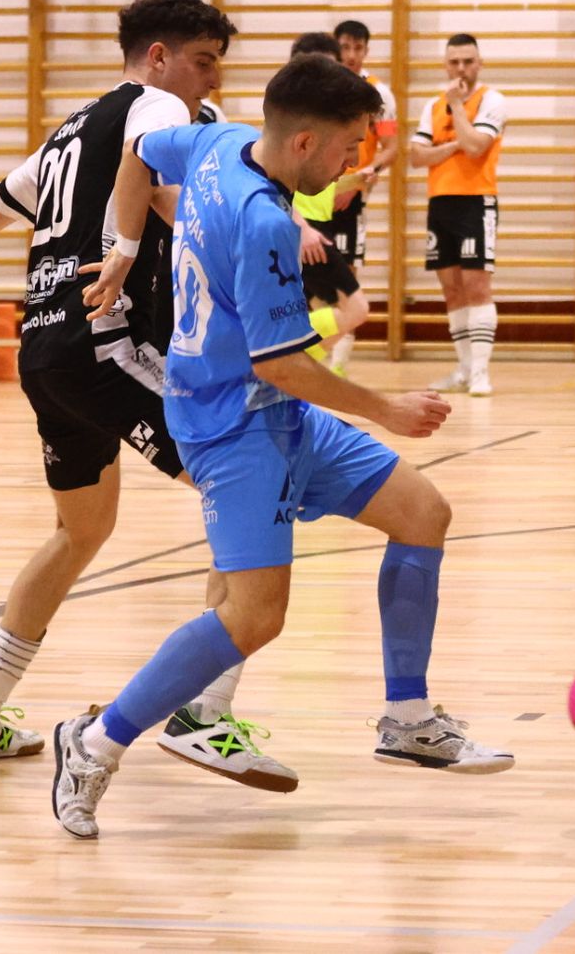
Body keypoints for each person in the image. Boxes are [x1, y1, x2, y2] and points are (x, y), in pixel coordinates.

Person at [50, 54, 514, 839]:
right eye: (346, 150)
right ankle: (92, 744)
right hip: (236, 428)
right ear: (303, 143)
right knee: (254, 618)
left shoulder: (212, 141)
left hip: (270, 408)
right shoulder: (266, 222)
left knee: (423, 512)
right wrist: (387, 409)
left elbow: (136, 156)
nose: (351, 166)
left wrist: (124, 245)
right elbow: (282, 362)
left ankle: (406, 717)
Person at [0, 0, 299, 794]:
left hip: (41, 355)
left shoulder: (65, 133)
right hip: (105, 343)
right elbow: (168, 193)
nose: (209, 84)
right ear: (158, 58)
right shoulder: (158, 110)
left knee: (79, 532)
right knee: (250, 476)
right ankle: (204, 711)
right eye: (202, 63)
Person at [411, 33, 506, 397]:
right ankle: (464, 369)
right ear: (445, 64)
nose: (461, 69)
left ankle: (481, 372)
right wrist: (454, 145)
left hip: (475, 201)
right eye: (454, 62)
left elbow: (477, 146)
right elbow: (418, 156)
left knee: (477, 287)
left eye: (468, 61)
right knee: (451, 289)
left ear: (479, 64)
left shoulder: (491, 101)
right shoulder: (433, 106)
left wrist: (457, 112)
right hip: (441, 202)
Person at [316, 19, 400, 376]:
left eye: (358, 48)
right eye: (345, 47)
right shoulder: (323, 87)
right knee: (312, 277)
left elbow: (392, 147)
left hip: (352, 199)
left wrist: (360, 182)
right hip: (314, 196)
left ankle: (339, 362)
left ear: (367, 50)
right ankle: (313, 351)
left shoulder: (379, 93)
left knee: (346, 273)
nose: (351, 55)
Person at [286, 32, 370, 373]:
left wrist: (356, 179)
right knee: (356, 308)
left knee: (307, 312)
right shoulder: (291, 124)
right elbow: (275, 182)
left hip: (320, 224)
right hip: (302, 228)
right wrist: (301, 227)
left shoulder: (327, 121)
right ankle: (292, 370)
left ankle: (294, 372)